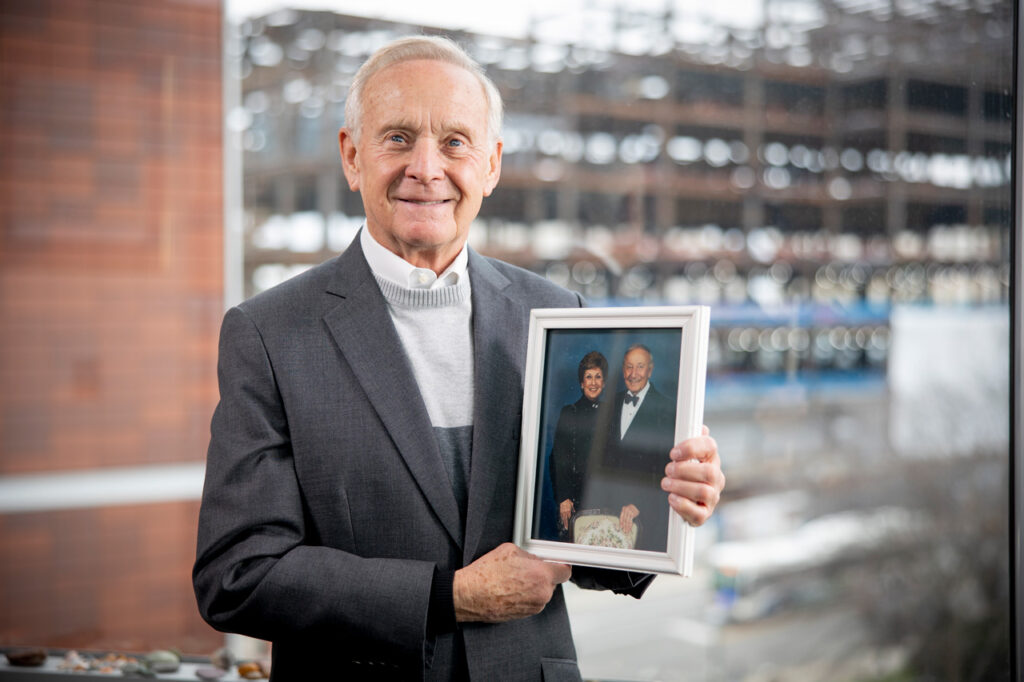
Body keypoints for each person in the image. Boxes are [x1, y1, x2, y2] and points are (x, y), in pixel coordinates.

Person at [193, 35, 725, 680]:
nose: (426, 166)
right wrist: (450, 597)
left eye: (454, 142)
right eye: (396, 138)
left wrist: (665, 497)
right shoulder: (271, 334)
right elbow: (239, 573)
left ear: (492, 165)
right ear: (352, 155)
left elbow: (582, 536)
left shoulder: (557, 316)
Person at [597, 344, 678, 552]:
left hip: (645, 523)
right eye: (628, 367)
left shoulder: (669, 410)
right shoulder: (608, 405)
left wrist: (639, 504)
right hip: (604, 514)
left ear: (650, 370)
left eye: (640, 367)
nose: (633, 374)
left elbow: (668, 470)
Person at [548, 351, 608, 541]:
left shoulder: (612, 414)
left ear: (604, 383)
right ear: (581, 383)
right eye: (588, 377)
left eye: (598, 377)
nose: (593, 382)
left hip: (604, 498)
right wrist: (563, 498)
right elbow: (557, 458)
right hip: (574, 501)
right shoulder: (569, 413)